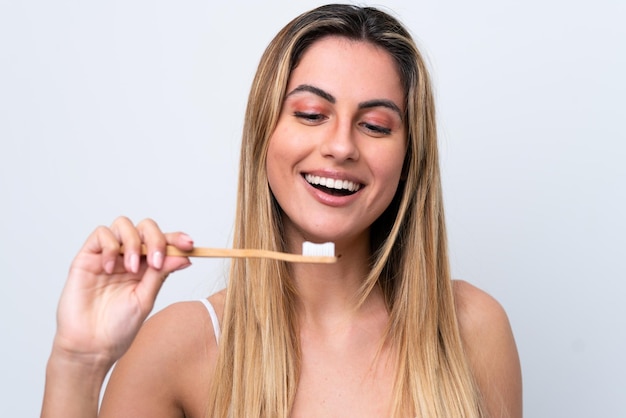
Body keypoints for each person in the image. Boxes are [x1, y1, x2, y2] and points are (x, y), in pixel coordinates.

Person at [41, 4, 522, 417]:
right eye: (311, 114)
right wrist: (79, 362)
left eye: (375, 125)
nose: (340, 146)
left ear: (409, 158)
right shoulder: (177, 347)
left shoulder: (473, 329)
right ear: (263, 134)